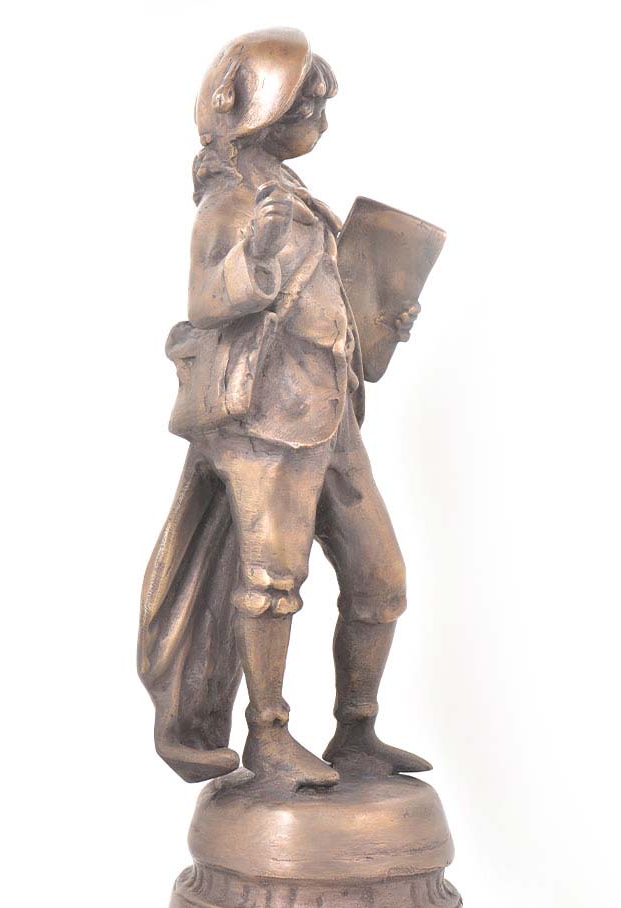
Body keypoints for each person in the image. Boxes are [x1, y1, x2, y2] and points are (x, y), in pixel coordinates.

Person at [139, 28, 428, 789]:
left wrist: (383, 318)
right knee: (272, 584)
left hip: (330, 413)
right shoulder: (232, 200)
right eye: (309, 107)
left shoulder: (295, 196)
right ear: (265, 111)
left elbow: (330, 309)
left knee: (381, 580)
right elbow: (207, 299)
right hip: (265, 420)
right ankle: (268, 735)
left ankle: (356, 733)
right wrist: (253, 254)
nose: (321, 122)